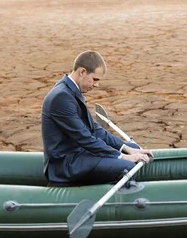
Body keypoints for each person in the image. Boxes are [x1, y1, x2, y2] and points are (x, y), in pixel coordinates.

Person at [41, 50, 153, 186]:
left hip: (80, 153)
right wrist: (123, 157)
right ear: (82, 72)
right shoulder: (62, 97)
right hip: (67, 164)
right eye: (95, 79)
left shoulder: (71, 90)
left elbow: (94, 129)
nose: (96, 85)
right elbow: (85, 138)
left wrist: (127, 149)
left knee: (132, 146)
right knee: (127, 166)